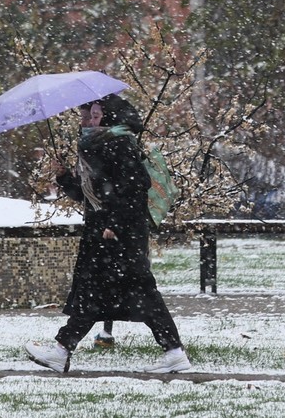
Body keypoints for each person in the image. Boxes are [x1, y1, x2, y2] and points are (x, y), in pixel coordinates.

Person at [25, 94, 190, 374]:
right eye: (87, 114)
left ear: (110, 115)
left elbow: (136, 187)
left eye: (95, 114)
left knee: (130, 293)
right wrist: (64, 177)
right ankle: (62, 350)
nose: (87, 119)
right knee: (99, 294)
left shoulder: (118, 143)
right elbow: (90, 195)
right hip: (104, 232)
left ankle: (173, 352)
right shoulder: (96, 146)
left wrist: (114, 223)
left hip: (117, 235)